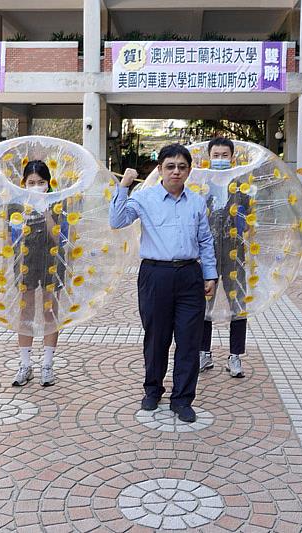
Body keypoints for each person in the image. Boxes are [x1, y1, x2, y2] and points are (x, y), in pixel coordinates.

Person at [110, 144, 217, 423]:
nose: (176, 172)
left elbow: (205, 241)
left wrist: (210, 274)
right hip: (155, 275)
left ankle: (182, 399)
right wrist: (124, 187)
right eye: (170, 166)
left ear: (189, 171)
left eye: (182, 167)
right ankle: (152, 390)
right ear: (160, 170)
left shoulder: (196, 202)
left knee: (188, 340)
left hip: (189, 275)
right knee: (156, 338)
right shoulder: (144, 197)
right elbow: (117, 220)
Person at [9, 160, 65, 387]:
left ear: (49, 183)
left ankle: (47, 366)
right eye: (31, 182)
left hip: (52, 260)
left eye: (41, 182)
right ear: (23, 183)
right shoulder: (15, 203)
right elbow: (11, 238)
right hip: (25, 261)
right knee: (26, 312)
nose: (36, 186)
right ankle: (25, 365)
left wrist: (45, 210)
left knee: (50, 311)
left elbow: (59, 238)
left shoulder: (58, 202)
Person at [197, 137, 249, 378]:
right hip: (206, 254)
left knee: (237, 304)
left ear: (232, 158)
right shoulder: (201, 185)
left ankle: (235, 356)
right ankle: (203, 353)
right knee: (203, 304)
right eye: (215, 155)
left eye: (224, 155)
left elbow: (249, 219)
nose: (220, 159)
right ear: (209, 158)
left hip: (235, 252)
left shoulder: (242, 185)